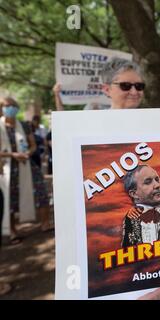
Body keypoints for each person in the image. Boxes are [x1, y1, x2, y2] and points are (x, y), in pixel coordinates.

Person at [0, 97, 53, 245]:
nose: (10, 108)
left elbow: (33, 145)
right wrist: (12, 155)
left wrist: (28, 153)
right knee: (9, 199)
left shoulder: (23, 125)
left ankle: (45, 224)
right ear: (2, 108)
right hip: (7, 167)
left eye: (13, 105)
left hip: (27, 164)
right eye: (6, 106)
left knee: (41, 191)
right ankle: (12, 231)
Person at [52, 57, 145, 111]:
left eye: (139, 86)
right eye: (125, 86)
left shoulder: (154, 122)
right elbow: (64, 130)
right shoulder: (91, 122)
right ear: (107, 90)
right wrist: (57, 96)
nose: (134, 92)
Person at [121, 165, 160, 247]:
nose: (157, 185)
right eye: (148, 182)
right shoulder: (130, 218)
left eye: (157, 180)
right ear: (134, 194)